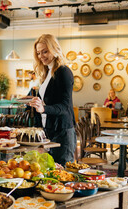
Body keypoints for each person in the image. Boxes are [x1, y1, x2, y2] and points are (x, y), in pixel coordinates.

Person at [29, 34, 76, 166]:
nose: (41, 56)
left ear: (55, 50)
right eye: (38, 53)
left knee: (63, 175)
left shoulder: (64, 72)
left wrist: (43, 108)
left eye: (45, 51)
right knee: (49, 173)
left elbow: (65, 106)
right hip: (49, 131)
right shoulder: (47, 73)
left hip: (62, 131)